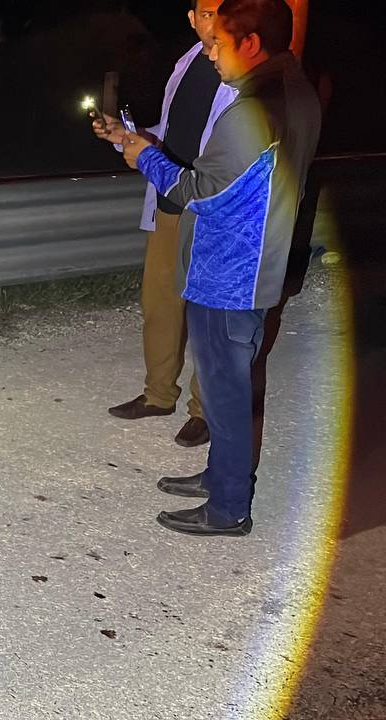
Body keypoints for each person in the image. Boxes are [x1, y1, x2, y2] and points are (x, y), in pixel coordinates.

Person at [122, 0, 321, 536]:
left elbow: (197, 190)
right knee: (228, 384)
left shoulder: (253, 111)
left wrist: (144, 155)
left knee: (227, 394)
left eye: (220, 44)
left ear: (252, 43)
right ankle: (220, 477)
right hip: (248, 266)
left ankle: (229, 506)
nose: (210, 54)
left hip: (230, 274)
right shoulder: (295, 92)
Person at [93, 0, 237, 448]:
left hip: (209, 206)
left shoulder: (241, 71)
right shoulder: (189, 61)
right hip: (169, 199)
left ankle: (204, 410)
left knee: (209, 315)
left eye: (222, 12)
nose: (213, 22)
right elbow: (173, 131)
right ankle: (158, 395)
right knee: (159, 304)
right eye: (206, 12)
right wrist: (127, 137)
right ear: (192, 19)